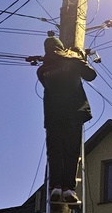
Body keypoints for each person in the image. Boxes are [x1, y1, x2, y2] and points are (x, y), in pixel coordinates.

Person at [37, 34, 97, 203]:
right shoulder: (73, 61)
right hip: (74, 113)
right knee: (71, 152)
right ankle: (69, 189)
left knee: (55, 153)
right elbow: (91, 75)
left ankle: (56, 186)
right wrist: (80, 57)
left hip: (53, 116)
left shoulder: (42, 71)